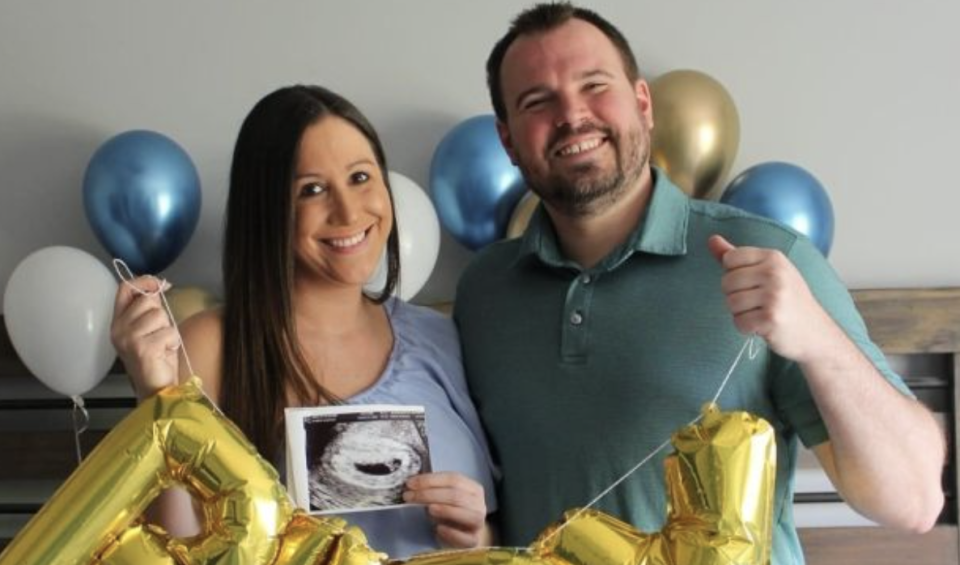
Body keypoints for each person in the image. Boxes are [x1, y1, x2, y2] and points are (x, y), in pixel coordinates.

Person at [453, 3, 944, 563]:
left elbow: (913, 500)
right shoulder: (483, 292)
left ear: (642, 103)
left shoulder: (771, 257)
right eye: (537, 102)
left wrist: (818, 340)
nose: (572, 115)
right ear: (508, 140)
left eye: (594, 85)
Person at [111, 85, 496, 558]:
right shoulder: (211, 346)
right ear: (268, 210)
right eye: (311, 190)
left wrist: (476, 535)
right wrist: (156, 399)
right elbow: (177, 550)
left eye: (360, 177)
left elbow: (493, 537)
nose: (349, 212)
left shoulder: (437, 335)